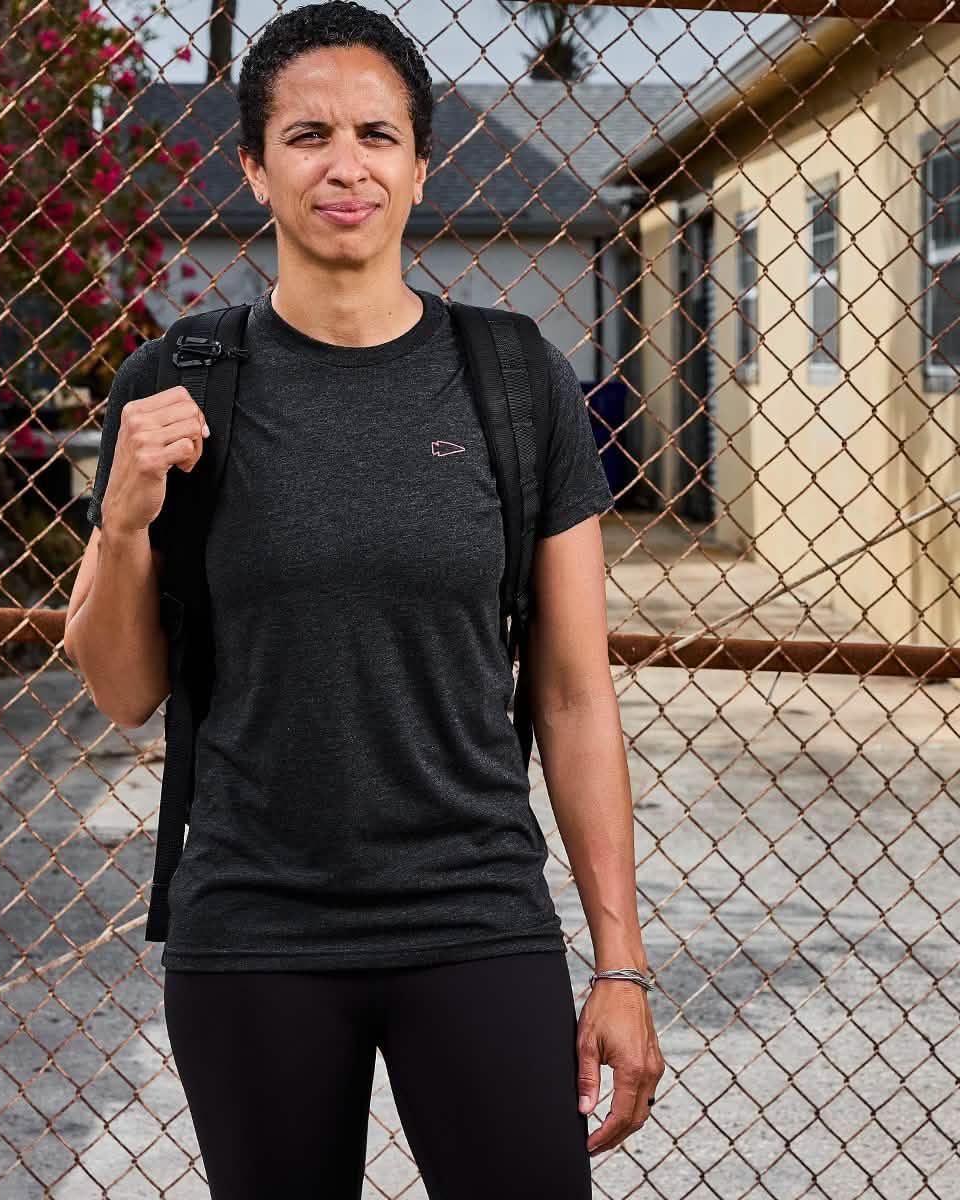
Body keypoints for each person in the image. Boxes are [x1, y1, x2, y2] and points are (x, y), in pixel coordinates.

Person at [63, 2, 665, 1195]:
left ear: (421, 165)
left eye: (377, 135)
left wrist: (620, 963)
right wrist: (122, 523)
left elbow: (572, 693)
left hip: (473, 911)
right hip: (255, 925)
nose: (346, 166)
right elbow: (125, 692)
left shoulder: (514, 379)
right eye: (308, 135)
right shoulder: (179, 382)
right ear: (254, 165)